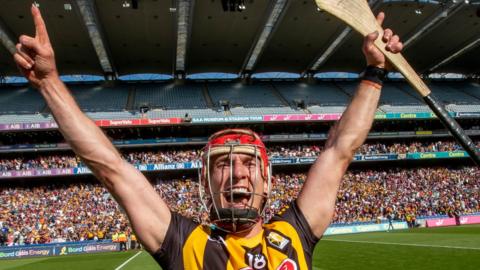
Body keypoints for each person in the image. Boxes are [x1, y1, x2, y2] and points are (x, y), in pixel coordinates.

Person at [14, 5, 403, 269]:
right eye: (223, 164)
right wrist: (49, 83)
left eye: (249, 162)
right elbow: (111, 168)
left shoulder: (293, 234)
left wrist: (375, 72)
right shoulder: (186, 244)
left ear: (266, 177)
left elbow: (340, 150)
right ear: (205, 181)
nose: (237, 172)